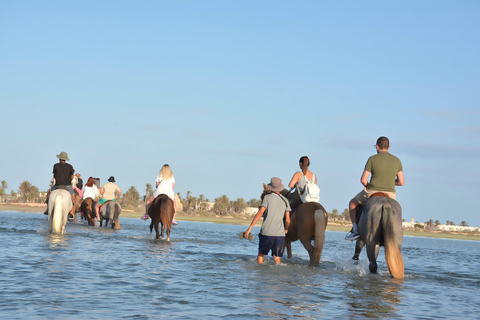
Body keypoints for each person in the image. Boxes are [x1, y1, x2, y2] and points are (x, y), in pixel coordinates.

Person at [345, 136, 405, 241]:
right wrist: (391, 182)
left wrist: (369, 186)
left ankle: (355, 231)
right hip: (391, 194)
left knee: (352, 203)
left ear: (377, 147)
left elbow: (363, 180)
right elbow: (401, 182)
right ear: (389, 147)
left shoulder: (372, 159)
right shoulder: (397, 160)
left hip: (372, 190)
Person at [244, 177, 291, 265]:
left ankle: (260, 275)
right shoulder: (286, 201)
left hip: (266, 233)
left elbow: (260, 213)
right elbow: (288, 220)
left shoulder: (267, 198)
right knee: (277, 259)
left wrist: (249, 228)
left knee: (261, 255)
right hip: (279, 234)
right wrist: (286, 229)